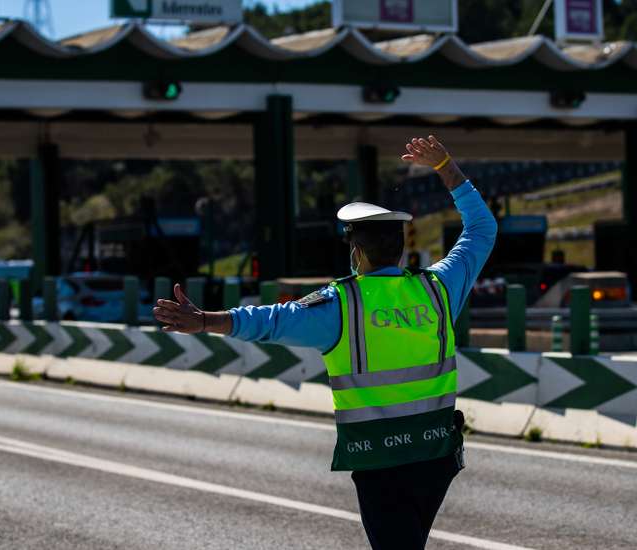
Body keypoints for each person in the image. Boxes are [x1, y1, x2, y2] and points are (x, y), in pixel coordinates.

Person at [153, 136, 497, 550]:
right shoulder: (439, 289)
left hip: (378, 458)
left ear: (356, 251)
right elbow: (481, 229)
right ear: (402, 249)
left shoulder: (342, 304)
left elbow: (271, 322)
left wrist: (205, 320)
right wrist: (446, 167)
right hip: (435, 456)